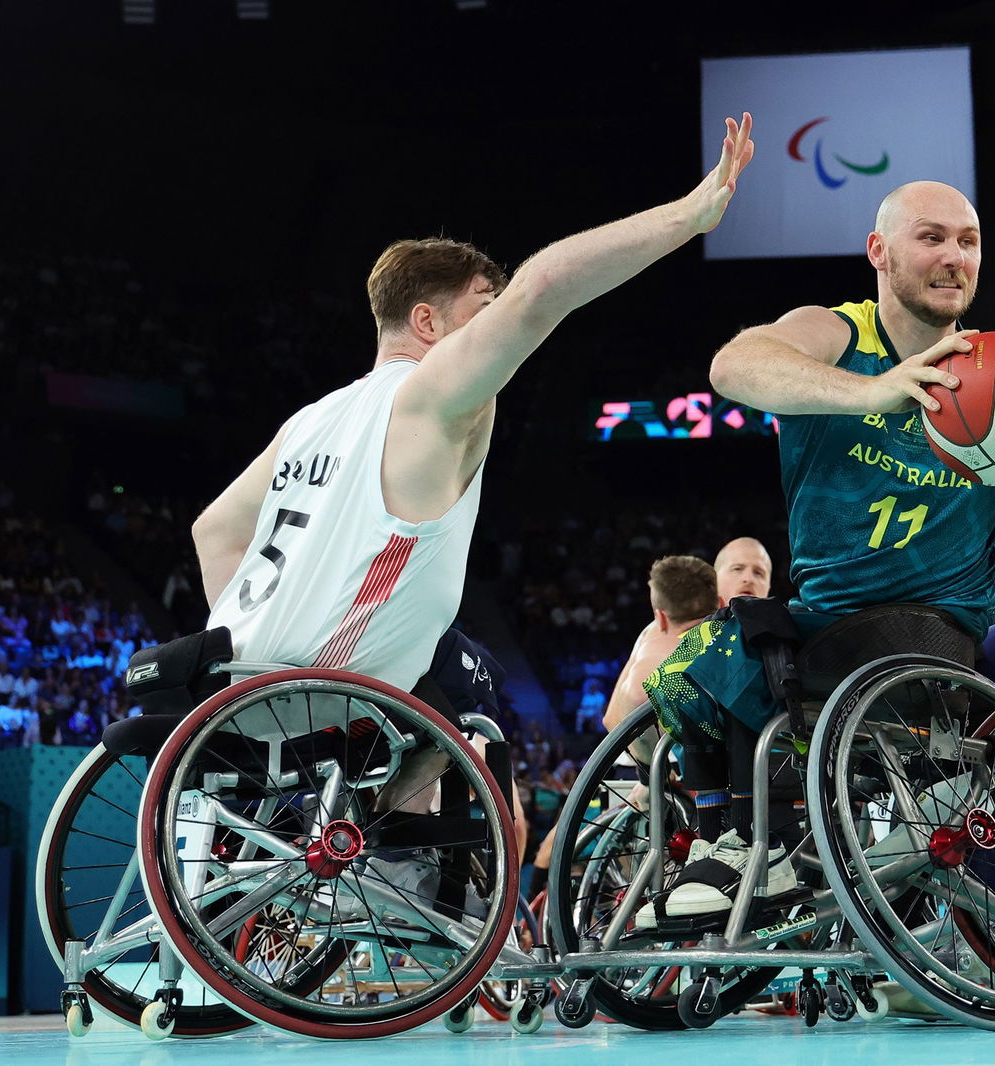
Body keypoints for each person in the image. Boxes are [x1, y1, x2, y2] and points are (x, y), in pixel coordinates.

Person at [187, 112, 753, 831]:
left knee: (461, 672)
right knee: (482, 721)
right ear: (428, 324)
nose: (492, 330)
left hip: (229, 689)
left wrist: (249, 643)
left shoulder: (309, 419)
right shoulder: (429, 397)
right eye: (480, 310)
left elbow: (213, 532)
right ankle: (387, 855)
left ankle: (369, 844)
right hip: (324, 696)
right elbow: (543, 287)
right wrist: (690, 215)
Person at [639, 181, 995, 921]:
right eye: (931, 237)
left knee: (730, 643)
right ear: (879, 251)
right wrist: (873, 393)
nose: (953, 256)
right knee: (702, 656)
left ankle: (746, 843)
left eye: (967, 241)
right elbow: (732, 367)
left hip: (935, 639)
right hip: (832, 628)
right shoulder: (839, 335)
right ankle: (737, 840)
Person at [528, 553, 729, 898]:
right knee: (560, 845)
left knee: (557, 844)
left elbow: (612, 717)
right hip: (656, 779)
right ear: (722, 602)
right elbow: (634, 701)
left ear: (660, 615)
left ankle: (534, 918)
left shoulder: (651, 632)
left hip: (639, 769)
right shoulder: (716, 643)